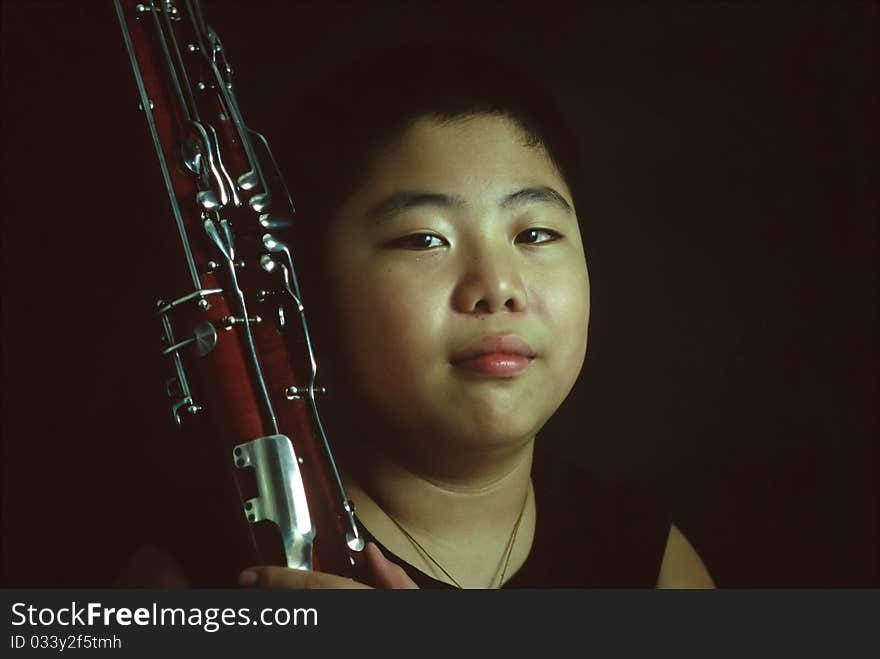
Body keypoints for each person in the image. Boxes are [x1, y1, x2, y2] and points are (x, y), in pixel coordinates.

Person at [120, 43, 714, 589]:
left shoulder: (654, 565)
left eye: (534, 233)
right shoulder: (189, 581)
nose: (497, 287)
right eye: (423, 240)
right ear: (310, 284)